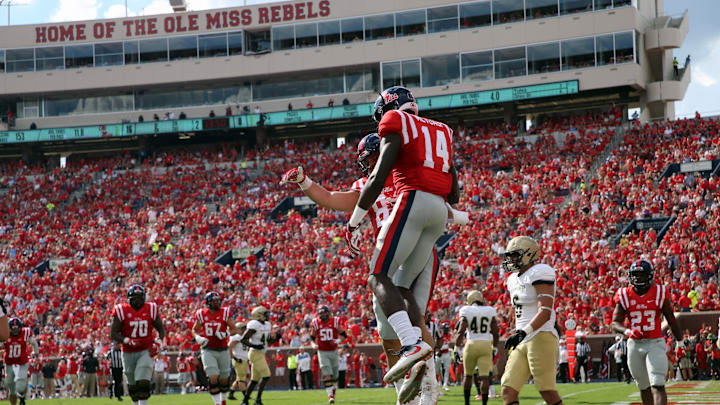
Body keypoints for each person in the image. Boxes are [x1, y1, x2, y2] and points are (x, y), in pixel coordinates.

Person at [281, 131, 460, 405]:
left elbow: (443, 202)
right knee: (392, 330)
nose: (369, 163)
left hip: (412, 251)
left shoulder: (409, 174)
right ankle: (409, 390)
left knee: (413, 319)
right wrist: (305, 181)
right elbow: (331, 198)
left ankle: (429, 387)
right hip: (392, 255)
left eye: (372, 157)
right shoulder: (369, 184)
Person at [345, 86, 460, 394]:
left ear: (387, 108)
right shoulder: (442, 130)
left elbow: (377, 178)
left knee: (377, 275)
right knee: (404, 287)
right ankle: (425, 368)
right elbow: (455, 193)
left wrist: (354, 221)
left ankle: (410, 345)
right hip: (438, 210)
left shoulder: (395, 121)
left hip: (413, 200)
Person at [501, 236, 563, 405]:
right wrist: (519, 332)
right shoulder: (513, 279)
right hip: (523, 338)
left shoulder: (540, 271)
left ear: (529, 254)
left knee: (547, 391)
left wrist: (523, 332)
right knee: (508, 390)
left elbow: (545, 311)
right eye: (509, 256)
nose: (511, 260)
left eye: (515, 255)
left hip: (540, 335)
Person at [612, 260, 684, 405]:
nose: (638, 278)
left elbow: (671, 319)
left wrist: (680, 341)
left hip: (655, 342)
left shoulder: (659, 292)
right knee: (643, 386)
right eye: (635, 275)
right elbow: (615, 323)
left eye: (642, 275)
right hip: (635, 344)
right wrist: (628, 331)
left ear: (649, 276)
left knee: (658, 383)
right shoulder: (625, 294)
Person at [110, 284, 165, 405]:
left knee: (143, 382)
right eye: (135, 298)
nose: (138, 300)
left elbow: (161, 328)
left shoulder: (151, 308)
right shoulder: (122, 310)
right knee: (132, 385)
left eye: (140, 297)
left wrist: (159, 341)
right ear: (129, 298)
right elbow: (113, 333)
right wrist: (126, 340)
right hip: (128, 351)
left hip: (146, 349)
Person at [192, 292, 239, 405]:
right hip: (208, 349)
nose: (217, 302)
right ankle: (217, 403)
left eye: (218, 300)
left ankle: (223, 401)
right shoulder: (202, 314)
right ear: (208, 302)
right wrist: (198, 338)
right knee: (213, 378)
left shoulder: (224, 312)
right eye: (214, 301)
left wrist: (226, 333)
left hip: (223, 349)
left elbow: (235, 329)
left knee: (224, 380)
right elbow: (194, 330)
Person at [455, 290, 499, 405]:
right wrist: (494, 348)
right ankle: (484, 403)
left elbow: (460, 331)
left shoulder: (465, 310)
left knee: (468, 375)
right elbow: (495, 332)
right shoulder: (489, 310)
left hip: (471, 344)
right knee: (485, 377)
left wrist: (456, 349)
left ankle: (467, 403)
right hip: (485, 344)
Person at [310, 305, 350, 404]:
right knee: (327, 373)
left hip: (334, 351)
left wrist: (337, 340)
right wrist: (313, 344)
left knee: (335, 376)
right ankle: (330, 396)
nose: (323, 315)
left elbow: (344, 335)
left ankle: (332, 393)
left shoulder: (334, 321)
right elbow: (311, 337)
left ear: (328, 313)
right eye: (321, 313)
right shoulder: (316, 323)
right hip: (322, 351)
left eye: (324, 313)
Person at [240, 306, 278, 405]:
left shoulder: (267, 324)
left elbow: (268, 341)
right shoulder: (254, 324)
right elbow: (243, 339)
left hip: (261, 353)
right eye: (265, 314)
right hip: (254, 353)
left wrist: (276, 338)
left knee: (254, 380)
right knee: (266, 375)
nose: (267, 316)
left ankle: (245, 401)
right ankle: (258, 400)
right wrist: (255, 345)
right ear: (259, 315)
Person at [3, 319, 38, 405]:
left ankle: (22, 397)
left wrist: (36, 353)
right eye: (13, 328)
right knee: (11, 388)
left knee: (21, 388)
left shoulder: (25, 333)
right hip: (9, 363)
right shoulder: (5, 334)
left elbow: (34, 343)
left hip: (22, 362)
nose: (15, 330)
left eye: (16, 328)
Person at [229, 323, 250, 398]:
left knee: (240, 378)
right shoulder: (237, 337)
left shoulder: (243, 337)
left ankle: (231, 393)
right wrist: (234, 358)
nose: (245, 330)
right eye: (243, 328)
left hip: (243, 359)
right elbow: (230, 347)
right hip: (239, 359)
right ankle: (246, 396)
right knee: (241, 379)